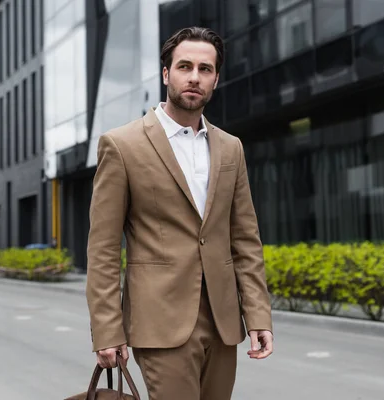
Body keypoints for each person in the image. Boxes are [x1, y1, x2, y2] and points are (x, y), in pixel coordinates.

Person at [85, 26, 273, 399]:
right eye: (185, 66)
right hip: (160, 321)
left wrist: (258, 315)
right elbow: (103, 248)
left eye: (205, 69)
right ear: (166, 73)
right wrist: (107, 329)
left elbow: (245, 239)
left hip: (222, 322)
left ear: (216, 79)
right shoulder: (122, 146)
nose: (194, 77)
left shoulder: (231, 148)